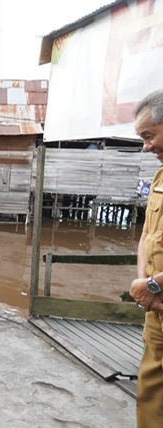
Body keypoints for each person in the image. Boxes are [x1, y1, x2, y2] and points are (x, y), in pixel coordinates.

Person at [129, 89, 163, 427]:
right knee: (150, 394)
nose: (146, 146)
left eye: (149, 136)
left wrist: (152, 284)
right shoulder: (159, 177)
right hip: (155, 309)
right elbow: (146, 236)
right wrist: (144, 286)